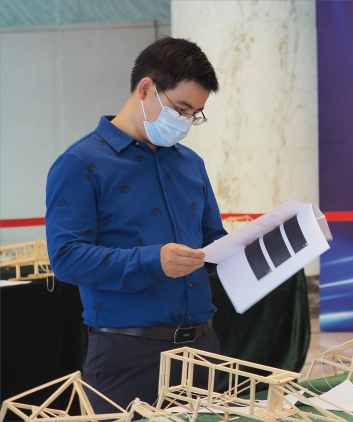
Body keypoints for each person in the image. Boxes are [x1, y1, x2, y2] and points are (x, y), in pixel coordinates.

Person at [45, 37, 227, 412]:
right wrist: (152, 260)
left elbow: (212, 243)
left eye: (195, 114)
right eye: (181, 109)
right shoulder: (80, 163)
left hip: (203, 350)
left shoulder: (190, 163)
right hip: (128, 353)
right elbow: (66, 258)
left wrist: (256, 249)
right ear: (146, 88)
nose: (186, 122)